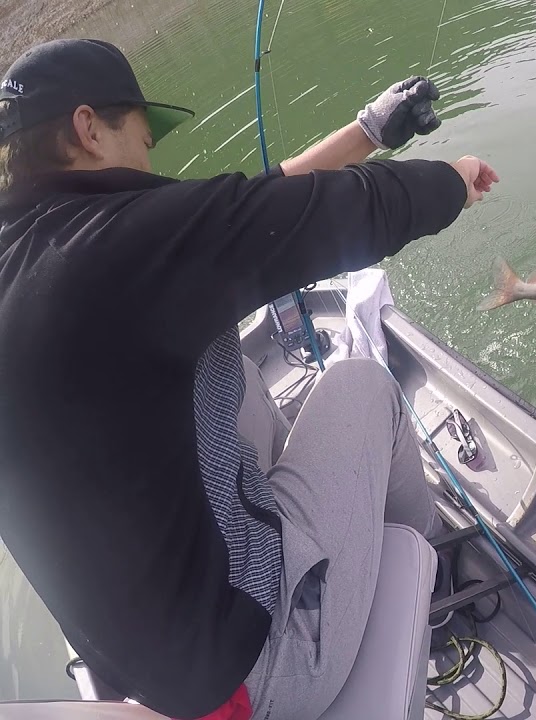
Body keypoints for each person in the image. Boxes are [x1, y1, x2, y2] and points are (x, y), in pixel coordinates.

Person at [0, 39, 499, 720]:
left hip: (137, 667)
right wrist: (452, 180)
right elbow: (329, 214)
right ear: (89, 128)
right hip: (248, 674)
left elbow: (242, 216)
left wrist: (367, 132)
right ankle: (433, 592)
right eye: (142, 140)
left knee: (230, 368)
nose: (151, 162)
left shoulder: (29, 255)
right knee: (362, 388)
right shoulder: (113, 250)